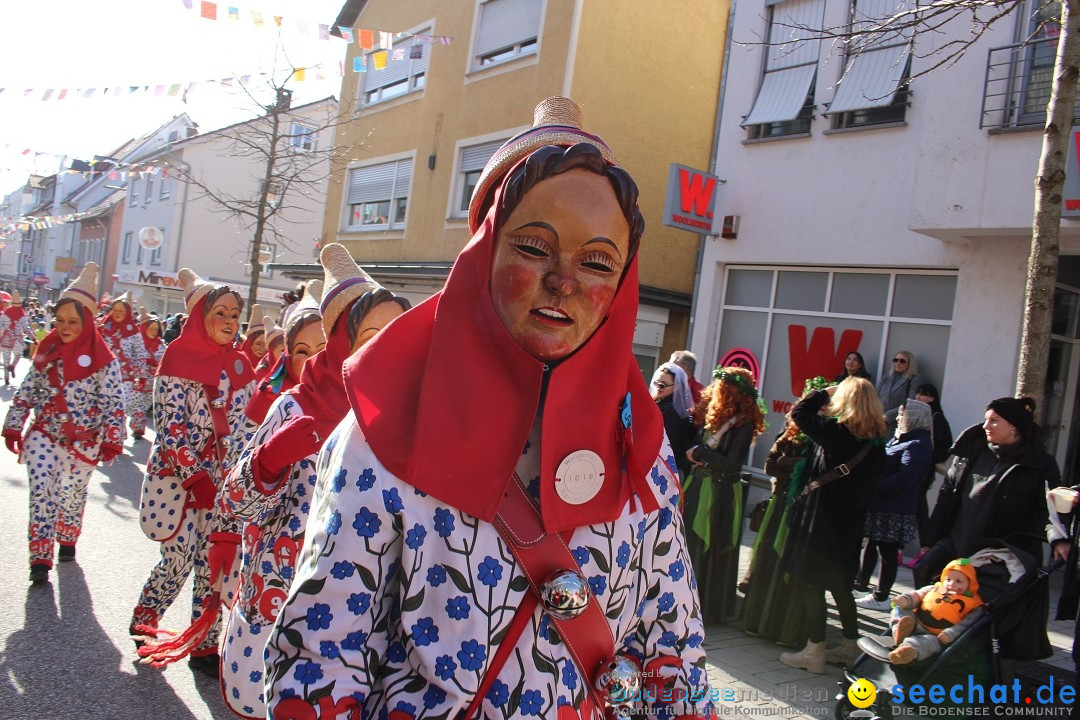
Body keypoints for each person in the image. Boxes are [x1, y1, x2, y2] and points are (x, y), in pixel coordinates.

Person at [264, 97, 713, 720]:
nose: (565, 281)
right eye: (535, 247)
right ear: (485, 251)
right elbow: (320, 654)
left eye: (597, 261)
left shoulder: (643, 445)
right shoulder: (382, 429)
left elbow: (674, 647)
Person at [207, 244, 409, 718]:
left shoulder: (407, 416)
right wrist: (268, 463)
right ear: (344, 340)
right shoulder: (293, 407)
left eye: (396, 335)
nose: (388, 350)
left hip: (362, 617)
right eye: (372, 336)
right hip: (281, 598)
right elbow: (232, 504)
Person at [130, 268, 256, 678]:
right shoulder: (177, 358)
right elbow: (170, 427)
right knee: (179, 558)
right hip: (179, 482)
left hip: (223, 487)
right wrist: (195, 477)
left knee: (214, 563)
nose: (229, 321)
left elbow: (248, 427)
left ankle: (204, 643)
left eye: (235, 314)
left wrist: (236, 478)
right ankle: (146, 619)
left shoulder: (242, 366)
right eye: (220, 312)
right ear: (201, 317)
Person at [1, 263, 126, 583]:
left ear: (86, 322)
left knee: (72, 494)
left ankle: (67, 536)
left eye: (72, 322)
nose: (65, 327)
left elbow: (114, 402)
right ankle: (40, 557)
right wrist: (14, 423)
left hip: (84, 443)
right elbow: (28, 389)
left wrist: (113, 437)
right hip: (45, 434)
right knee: (42, 491)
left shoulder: (105, 359)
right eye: (60, 321)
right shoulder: (47, 349)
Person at [778, 377, 886, 672]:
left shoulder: (837, 433)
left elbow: (800, 412)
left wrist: (826, 390)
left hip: (820, 523)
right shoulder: (877, 448)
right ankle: (851, 646)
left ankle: (815, 651)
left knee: (811, 584)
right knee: (840, 587)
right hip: (849, 526)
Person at [914, 396, 1065, 588]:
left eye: (994, 420)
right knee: (923, 570)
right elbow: (946, 498)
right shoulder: (971, 452)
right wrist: (930, 540)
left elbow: (1050, 508)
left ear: (1014, 427)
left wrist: (1059, 539)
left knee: (976, 599)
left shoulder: (1039, 463)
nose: (985, 425)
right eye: (986, 419)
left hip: (999, 550)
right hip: (957, 539)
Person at [741, 378, 834, 646]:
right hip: (780, 501)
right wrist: (788, 463)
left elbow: (811, 471)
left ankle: (784, 629)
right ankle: (758, 621)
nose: (821, 411)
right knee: (768, 560)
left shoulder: (823, 437)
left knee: (789, 567)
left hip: (801, 508)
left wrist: (790, 462)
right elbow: (770, 466)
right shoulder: (790, 433)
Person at [683, 366, 767, 624]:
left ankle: (704, 608)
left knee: (708, 547)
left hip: (719, 493)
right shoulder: (711, 414)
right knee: (689, 545)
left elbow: (731, 462)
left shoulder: (744, 422)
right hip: (697, 487)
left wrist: (699, 454)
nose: (717, 391)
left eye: (723, 388)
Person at [854, 399, 934, 610]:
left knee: (887, 552)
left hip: (894, 507)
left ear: (914, 418)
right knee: (873, 543)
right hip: (882, 504)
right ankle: (861, 584)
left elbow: (905, 478)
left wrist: (874, 488)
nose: (898, 419)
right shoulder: (901, 439)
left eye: (902, 415)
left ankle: (881, 597)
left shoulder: (918, 444)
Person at [244, 281, 324, 426]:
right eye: (303, 351)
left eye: (322, 351)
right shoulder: (269, 396)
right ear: (289, 353)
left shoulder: (348, 395)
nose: (312, 360)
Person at [879, 558, 984, 665]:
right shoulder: (935, 588)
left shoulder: (972, 603)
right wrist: (905, 600)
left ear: (970, 583)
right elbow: (918, 595)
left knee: (929, 645)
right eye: (948, 579)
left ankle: (906, 651)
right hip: (914, 621)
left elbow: (967, 624)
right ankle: (899, 632)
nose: (951, 584)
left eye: (958, 581)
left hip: (935, 636)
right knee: (900, 609)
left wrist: (952, 633)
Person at [908, 382, 953, 567]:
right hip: (914, 466)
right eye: (917, 393)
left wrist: (926, 455)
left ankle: (926, 548)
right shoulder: (919, 416)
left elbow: (945, 446)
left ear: (932, 398)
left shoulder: (936, 417)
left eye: (923, 394)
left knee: (919, 507)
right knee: (915, 506)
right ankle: (914, 548)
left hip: (924, 469)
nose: (919, 397)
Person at [98, 292, 148, 420]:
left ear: (127, 312)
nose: (117, 313)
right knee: (101, 407)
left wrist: (141, 375)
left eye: (121, 310)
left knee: (118, 406)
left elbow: (140, 354)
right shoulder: (103, 327)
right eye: (115, 310)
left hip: (125, 375)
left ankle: (115, 435)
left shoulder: (134, 332)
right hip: (103, 373)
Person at [649, 361, 695, 476]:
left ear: (676, 387)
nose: (658, 387)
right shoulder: (656, 404)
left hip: (665, 471)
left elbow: (667, 444)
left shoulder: (675, 413)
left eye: (663, 385)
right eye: (656, 383)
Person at [129, 316, 165, 438]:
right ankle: (138, 428)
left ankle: (136, 422)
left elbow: (165, 361)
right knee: (137, 403)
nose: (153, 331)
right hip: (138, 380)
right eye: (151, 328)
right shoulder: (136, 344)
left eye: (156, 329)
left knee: (145, 404)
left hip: (152, 382)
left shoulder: (161, 346)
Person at [877, 350, 922, 435]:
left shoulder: (914, 379)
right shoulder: (887, 377)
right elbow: (875, 395)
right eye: (895, 360)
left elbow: (911, 403)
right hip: (878, 421)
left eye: (902, 361)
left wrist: (888, 416)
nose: (898, 363)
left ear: (909, 363)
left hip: (896, 423)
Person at [0, 290, 31, 384]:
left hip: (6, 338)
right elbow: (27, 329)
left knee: (6, 358)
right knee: (18, 355)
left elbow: (1, 326)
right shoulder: (22, 314)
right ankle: (13, 366)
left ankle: (6, 378)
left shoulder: (5, 313)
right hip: (17, 340)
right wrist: (34, 338)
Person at [237, 303, 267, 369]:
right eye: (258, 344)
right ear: (250, 344)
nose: (262, 348)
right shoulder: (236, 364)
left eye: (265, 345)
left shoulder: (270, 367)